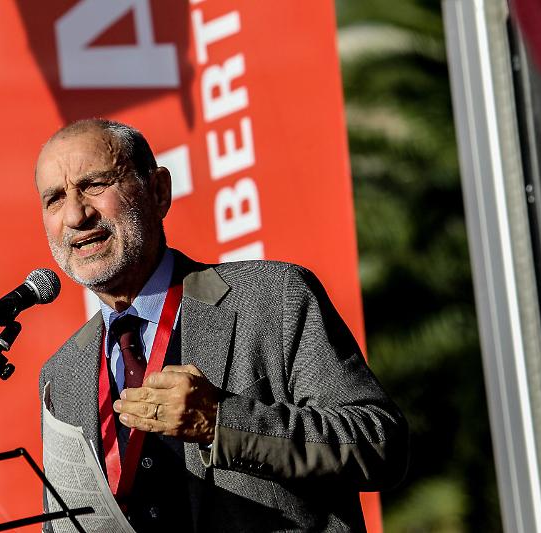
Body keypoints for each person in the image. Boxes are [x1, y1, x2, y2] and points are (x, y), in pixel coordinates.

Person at [36, 118, 408, 532]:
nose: (76, 214)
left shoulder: (273, 297)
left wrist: (220, 422)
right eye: (55, 199)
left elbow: (381, 444)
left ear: (158, 191)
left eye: (94, 185)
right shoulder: (61, 374)